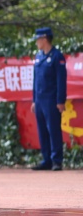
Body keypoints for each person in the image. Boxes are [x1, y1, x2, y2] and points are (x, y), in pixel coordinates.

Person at [30, 27, 66, 171]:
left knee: (53, 130)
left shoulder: (57, 56)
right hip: (39, 100)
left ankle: (56, 160)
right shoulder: (38, 56)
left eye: (38, 40)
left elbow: (61, 80)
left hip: (51, 100)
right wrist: (34, 100)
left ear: (44, 39)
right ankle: (46, 160)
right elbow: (35, 80)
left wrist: (60, 101)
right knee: (42, 130)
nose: (37, 43)